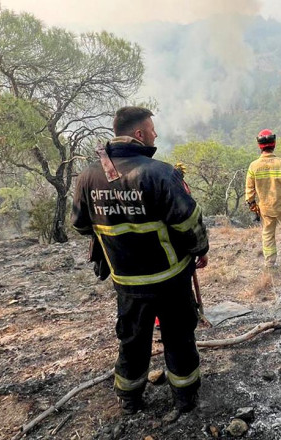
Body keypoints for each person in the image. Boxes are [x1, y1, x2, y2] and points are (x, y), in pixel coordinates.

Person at [71, 106, 209, 416]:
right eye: (151, 130)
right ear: (139, 134)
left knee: (132, 338)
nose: (155, 135)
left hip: (127, 281)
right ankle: (185, 397)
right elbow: (189, 222)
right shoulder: (160, 173)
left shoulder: (88, 176)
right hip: (170, 278)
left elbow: (80, 225)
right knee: (179, 337)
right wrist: (200, 249)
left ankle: (130, 398)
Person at [245, 129, 281, 268]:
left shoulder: (254, 166)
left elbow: (249, 191)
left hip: (265, 208)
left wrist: (252, 205)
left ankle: (269, 264)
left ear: (260, 146)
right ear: (274, 144)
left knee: (268, 234)